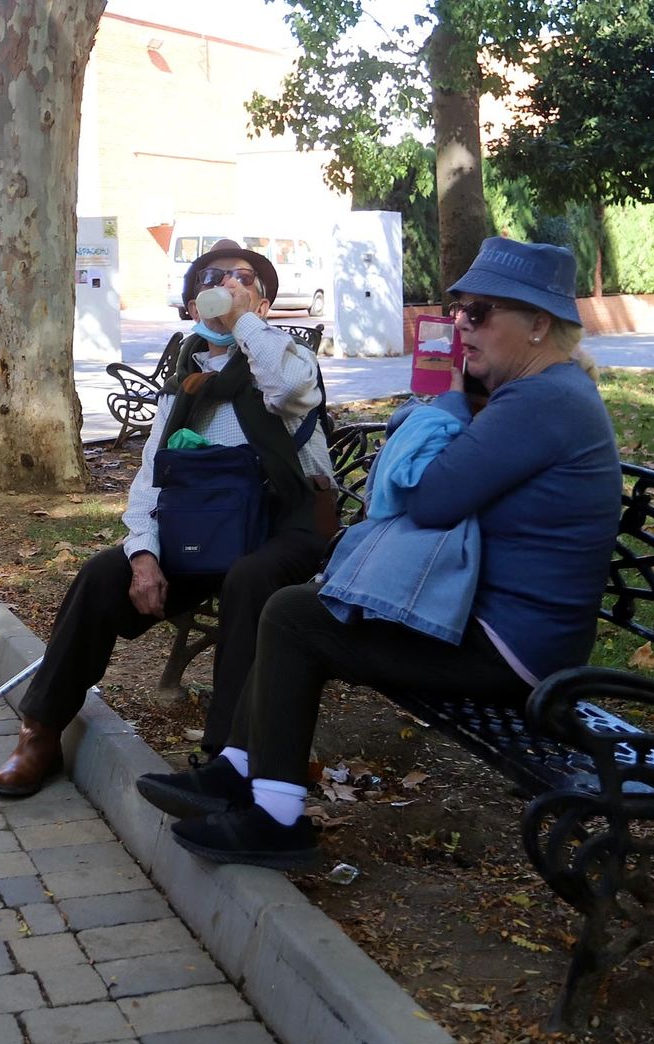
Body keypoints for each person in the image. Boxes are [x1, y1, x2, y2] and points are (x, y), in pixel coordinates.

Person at [137, 237, 623, 868]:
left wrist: (446, 399)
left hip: (514, 652)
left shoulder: (544, 401)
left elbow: (427, 496)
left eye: (478, 314)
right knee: (301, 608)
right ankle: (238, 770)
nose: (460, 326)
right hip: (487, 620)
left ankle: (274, 817)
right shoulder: (538, 394)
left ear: (536, 325)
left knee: (294, 618)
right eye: (458, 311)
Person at [0, 239, 334, 798]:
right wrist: (145, 554)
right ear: (193, 302)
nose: (227, 285)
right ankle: (41, 731)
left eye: (244, 278)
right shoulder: (186, 379)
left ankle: (228, 761)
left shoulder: (286, 359)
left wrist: (246, 323)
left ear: (265, 302)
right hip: (204, 532)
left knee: (250, 580)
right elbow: (151, 478)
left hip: (280, 531)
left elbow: (291, 389)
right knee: (105, 574)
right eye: (212, 278)